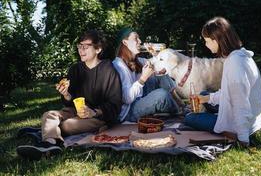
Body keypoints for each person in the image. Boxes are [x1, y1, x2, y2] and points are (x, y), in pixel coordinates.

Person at [17, 29, 122, 160]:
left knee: (67, 125)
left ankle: (45, 133)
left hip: (97, 117)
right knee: (48, 115)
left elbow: (115, 104)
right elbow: (69, 101)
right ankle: (49, 144)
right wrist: (66, 94)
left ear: (98, 49)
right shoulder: (75, 69)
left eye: (86, 46)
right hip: (74, 111)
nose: (81, 50)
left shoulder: (109, 71)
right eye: (79, 46)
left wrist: (94, 112)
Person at [184, 17, 261, 146]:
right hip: (250, 117)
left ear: (216, 40)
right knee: (204, 94)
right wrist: (205, 99)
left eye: (207, 41)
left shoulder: (235, 63)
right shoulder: (241, 56)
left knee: (189, 118)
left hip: (238, 125)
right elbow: (230, 93)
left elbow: (240, 104)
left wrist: (242, 139)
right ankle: (212, 110)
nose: (206, 44)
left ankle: (221, 123)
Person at [112, 28, 181, 122]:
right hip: (128, 111)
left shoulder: (137, 61)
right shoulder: (119, 66)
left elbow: (158, 67)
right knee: (162, 95)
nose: (140, 41)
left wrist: (154, 54)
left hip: (140, 97)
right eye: (136, 38)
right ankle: (179, 112)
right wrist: (143, 79)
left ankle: (179, 103)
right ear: (125, 42)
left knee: (161, 77)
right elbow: (127, 98)